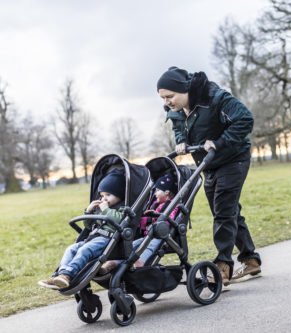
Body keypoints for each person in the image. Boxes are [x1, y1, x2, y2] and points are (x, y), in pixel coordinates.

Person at [156, 66, 261, 286]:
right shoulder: (175, 108)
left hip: (233, 158)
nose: (167, 102)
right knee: (226, 210)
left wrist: (220, 142)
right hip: (209, 163)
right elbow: (178, 125)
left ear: (184, 90)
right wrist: (181, 140)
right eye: (163, 98)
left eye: (170, 96)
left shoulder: (215, 98)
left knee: (223, 211)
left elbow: (245, 119)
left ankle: (223, 267)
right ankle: (250, 259)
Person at [38, 169, 126, 290]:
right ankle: (60, 275)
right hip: (93, 238)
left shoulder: (122, 208)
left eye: (108, 195)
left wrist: (105, 210)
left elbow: (119, 220)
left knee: (85, 249)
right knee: (71, 249)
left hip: (108, 240)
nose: (104, 199)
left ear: (119, 195)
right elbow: (89, 226)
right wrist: (89, 211)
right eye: (102, 195)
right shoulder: (100, 208)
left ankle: (67, 275)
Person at [98, 172, 179, 274]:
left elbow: (170, 219)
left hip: (161, 236)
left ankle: (140, 262)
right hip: (147, 235)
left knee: (150, 247)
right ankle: (111, 264)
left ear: (167, 192)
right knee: (132, 245)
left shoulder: (173, 205)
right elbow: (145, 219)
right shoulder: (155, 204)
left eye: (158, 191)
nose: (155, 193)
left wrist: (157, 215)